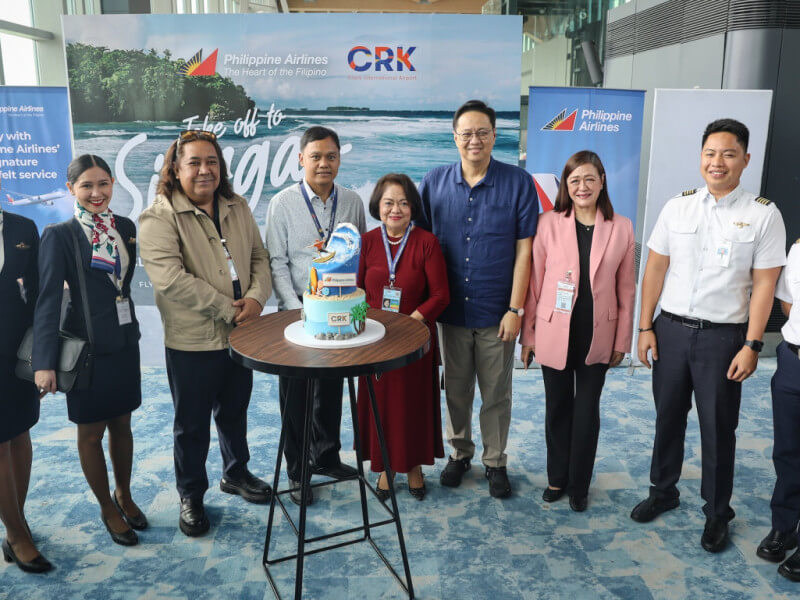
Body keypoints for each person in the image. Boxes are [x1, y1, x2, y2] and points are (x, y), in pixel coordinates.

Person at [633, 118, 785, 553]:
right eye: (710, 154)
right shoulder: (677, 207)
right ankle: (663, 490)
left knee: (719, 428)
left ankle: (717, 512)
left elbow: (764, 287)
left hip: (723, 340)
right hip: (671, 330)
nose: (717, 162)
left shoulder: (762, 214)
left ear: (745, 160)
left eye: (728, 154)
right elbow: (655, 269)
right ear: (701, 158)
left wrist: (753, 344)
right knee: (667, 417)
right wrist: (646, 325)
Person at [139, 131, 272, 537]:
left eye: (211, 161)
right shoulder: (158, 217)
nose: (204, 170)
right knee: (191, 423)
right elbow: (171, 281)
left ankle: (236, 473)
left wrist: (255, 299)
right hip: (193, 339)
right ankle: (191, 494)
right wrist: (227, 309)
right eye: (194, 162)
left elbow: (258, 257)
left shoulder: (237, 205)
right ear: (175, 169)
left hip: (241, 333)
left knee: (235, 411)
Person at [418, 99, 538, 498]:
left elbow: (525, 250)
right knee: (455, 388)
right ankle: (460, 452)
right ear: (454, 138)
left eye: (482, 132)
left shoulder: (518, 182)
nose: (474, 140)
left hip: (497, 311)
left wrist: (515, 309)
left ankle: (495, 460)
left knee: (496, 393)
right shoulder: (433, 182)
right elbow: (421, 248)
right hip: (450, 312)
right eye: (466, 133)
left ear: (494, 135)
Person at [33, 155, 146, 547]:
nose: (96, 193)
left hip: (124, 344)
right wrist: (44, 362)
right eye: (86, 186)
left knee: (123, 425)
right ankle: (106, 507)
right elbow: (47, 300)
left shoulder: (126, 228)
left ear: (113, 183)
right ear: (71, 190)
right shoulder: (60, 235)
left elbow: (123, 286)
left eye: (103, 184)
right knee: (91, 433)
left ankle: (124, 493)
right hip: (87, 351)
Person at [519, 151, 635, 512]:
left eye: (589, 179)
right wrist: (529, 336)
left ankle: (579, 484)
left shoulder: (622, 227)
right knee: (557, 409)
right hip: (554, 332)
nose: (582, 186)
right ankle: (557, 478)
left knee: (586, 412)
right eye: (574, 180)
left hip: (597, 334)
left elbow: (627, 290)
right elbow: (534, 283)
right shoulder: (547, 223)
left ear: (602, 180)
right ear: (566, 187)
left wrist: (622, 341)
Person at [266, 126, 366, 506]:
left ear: (339, 159)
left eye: (331, 156)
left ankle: (325, 456)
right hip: (297, 315)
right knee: (296, 397)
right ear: (301, 159)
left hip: (338, 313)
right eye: (316, 157)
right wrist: (297, 310)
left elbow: (355, 256)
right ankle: (297, 472)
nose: (324, 163)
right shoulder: (283, 203)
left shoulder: (353, 201)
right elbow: (277, 261)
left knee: (331, 388)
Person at [356, 173, 449, 500]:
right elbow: (356, 292)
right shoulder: (366, 242)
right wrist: (358, 326)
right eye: (388, 202)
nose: (395, 209)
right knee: (382, 406)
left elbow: (440, 295)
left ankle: (413, 468)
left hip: (414, 341)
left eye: (403, 203)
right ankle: (385, 467)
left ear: (413, 207)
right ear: (377, 206)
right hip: (375, 341)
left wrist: (411, 323)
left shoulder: (427, 242)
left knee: (411, 407)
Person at [0, 199, 51, 572]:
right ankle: (16, 534)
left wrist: (43, 352)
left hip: (18, 351)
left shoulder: (22, 227)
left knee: (20, 431)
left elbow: (38, 295)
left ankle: (17, 516)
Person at [756, 239, 800, 581]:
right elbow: (787, 302)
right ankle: (784, 526)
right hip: (792, 359)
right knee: (787, 450)